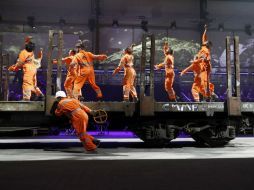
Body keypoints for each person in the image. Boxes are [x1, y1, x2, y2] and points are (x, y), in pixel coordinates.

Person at [180, 25, 216, 102]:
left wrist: (195, 61)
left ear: (207, 45)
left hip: (205, 68)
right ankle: (201, 99)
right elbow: (204, 38)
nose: (204, 42)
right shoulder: (204, 47)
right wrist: (205, 30)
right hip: (200, 75)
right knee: (196, 88)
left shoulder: (205, 51)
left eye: (205, 42)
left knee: (204, 84)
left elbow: (203, 59)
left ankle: (210, 95)